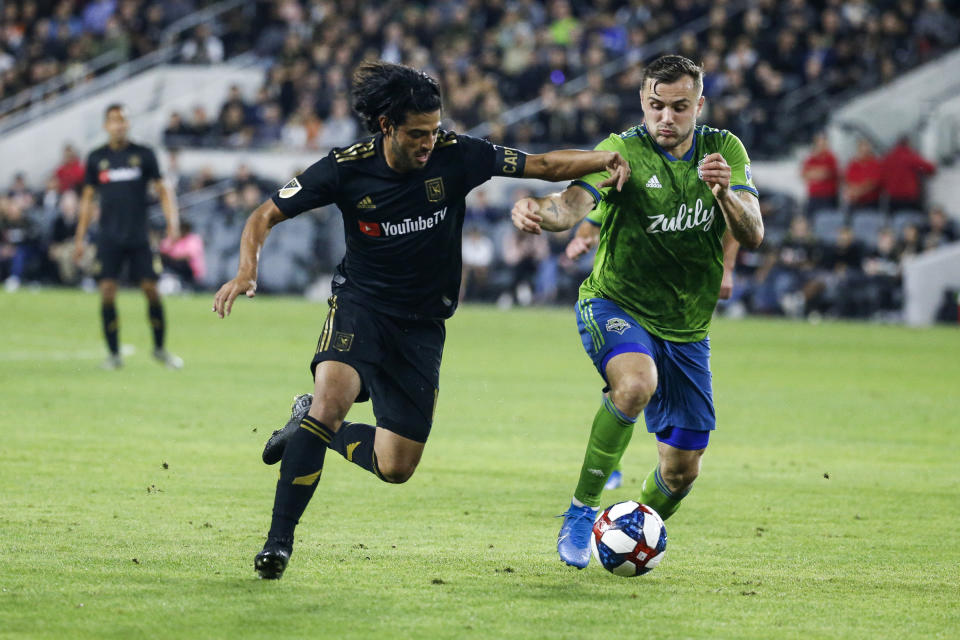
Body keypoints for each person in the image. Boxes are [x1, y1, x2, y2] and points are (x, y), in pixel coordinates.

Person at [211, 60, 631, 580]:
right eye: (417, 133)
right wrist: (245, 270)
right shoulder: (346, 167)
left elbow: (543, 165)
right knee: (331, 402)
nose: (429, 141)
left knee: (396, 465)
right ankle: (278, 543)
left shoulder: (458, 154)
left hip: (423, 325)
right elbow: (264, 215)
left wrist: (604, 159)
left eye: (433, 130)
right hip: (361, 305)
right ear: (387, 126)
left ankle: (310, 423)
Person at [510, 55, 763, 569]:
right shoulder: (620, 151)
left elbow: (753, 231)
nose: (666, 118)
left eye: (679, 107)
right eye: (656, 106)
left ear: (699, 105)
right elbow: (571, 206)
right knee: (634, 384)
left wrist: (724, 196)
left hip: (688, 328)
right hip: (614, 303)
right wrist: (541, 211)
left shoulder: (724, 150)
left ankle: (627, 528)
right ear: (642, 103)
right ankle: (582, 511)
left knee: (681, 472)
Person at [74, 103, 184, 370]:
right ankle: (113, 354)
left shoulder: (143, 155)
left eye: (123, 120)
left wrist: (173, 222)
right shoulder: (96, 158)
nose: (119, 125)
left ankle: (159, 349)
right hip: (109, 237)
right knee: (108, 291)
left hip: (138, 236)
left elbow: (162, 189)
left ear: (128, 123)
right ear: (105, 125)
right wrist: (79, 237)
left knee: (151, 289)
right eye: (113, 120)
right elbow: (88, 200)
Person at [881, 136, 935, 212]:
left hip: (892, 199)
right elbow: (930, 168)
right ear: (908, 144)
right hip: (908, 199)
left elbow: (882, 176)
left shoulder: (888, 158)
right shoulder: (909, 156)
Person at [801, 131, 839, 215]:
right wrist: (817, 173)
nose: (821, 145)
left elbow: (825, 173)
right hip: (813, 197)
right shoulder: (811, 158)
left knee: (827, 220)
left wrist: (812, 173)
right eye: (818, 142)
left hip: (828, 198)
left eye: (823, 142)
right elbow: (803, 174)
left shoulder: (831, 157)